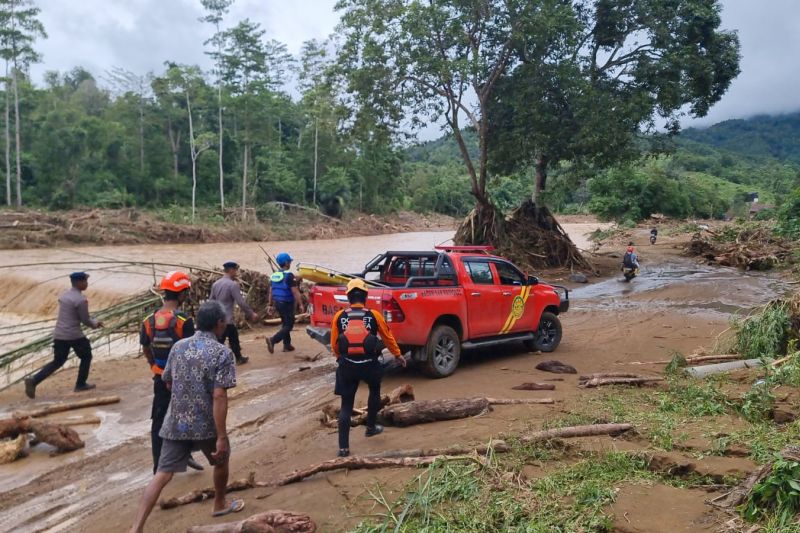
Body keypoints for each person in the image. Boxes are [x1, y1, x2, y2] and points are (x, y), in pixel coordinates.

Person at [129, 301, 243, 533]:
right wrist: (221, 435)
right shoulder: (222, 353)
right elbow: (219, 395)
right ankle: (220, 503)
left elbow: (167, 381)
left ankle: (136, 527)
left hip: (175, 422)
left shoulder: (179, 346)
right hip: (205, 424)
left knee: (162, 474)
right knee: (221, 459)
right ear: (219, 324)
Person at [330, 278, 406, 458]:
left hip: (347, 365)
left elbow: (334, 344)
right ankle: (370, 428)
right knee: (375, 391)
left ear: (348, 297)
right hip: (370, 364)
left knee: (346, 406)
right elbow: (387, 337)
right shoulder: (373, 315)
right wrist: (398, 355)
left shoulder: (339, 316)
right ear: (365, 296)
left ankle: (343, 448)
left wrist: (341, 358)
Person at [140, 271, 203, 473]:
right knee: (186, 416)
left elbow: (146, 347)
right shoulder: (185, 321)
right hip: (181, 379)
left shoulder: (149, 320)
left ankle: (158, 464)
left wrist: (154, 366)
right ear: (182, 293)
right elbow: (190, 352)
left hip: (159, 376)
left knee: (159, 419)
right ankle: (185, 455)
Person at [24, 272, 104, 399]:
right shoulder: (81, 300)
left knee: (58, 361)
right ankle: (81, 384)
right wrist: (96, 324)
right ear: (78, 283)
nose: (86, 283)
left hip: (59, 334)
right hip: (73, 334)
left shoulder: (64, 295)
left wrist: (91, 320)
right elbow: (85, 320)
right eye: (85, 281)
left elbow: (72, 315)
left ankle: (34, 380)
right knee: (86, 355)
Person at [210, 261, 258, 365]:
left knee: (231, 337)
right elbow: (241, 302)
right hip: (227, 319)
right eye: (235, 270)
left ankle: (237, 357)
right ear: (231, 270)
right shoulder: (232, 285)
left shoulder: (216, 284)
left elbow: (211, 302)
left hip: (217, 318)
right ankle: (222, 360)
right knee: (225, 340)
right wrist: (251, 313)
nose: (236, 272)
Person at [265, 252, 303, 354]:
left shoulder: (274, 276)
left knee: (285, 323)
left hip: (278, 302)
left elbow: (271, 291)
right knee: (289, 325)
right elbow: (295, 291)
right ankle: (273, 340)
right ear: (286, 263)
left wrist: (270, 304)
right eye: (289, 261)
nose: (290, 263)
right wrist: (301, 304)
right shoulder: (289, 276)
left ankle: (287, 345)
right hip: (287, 303)